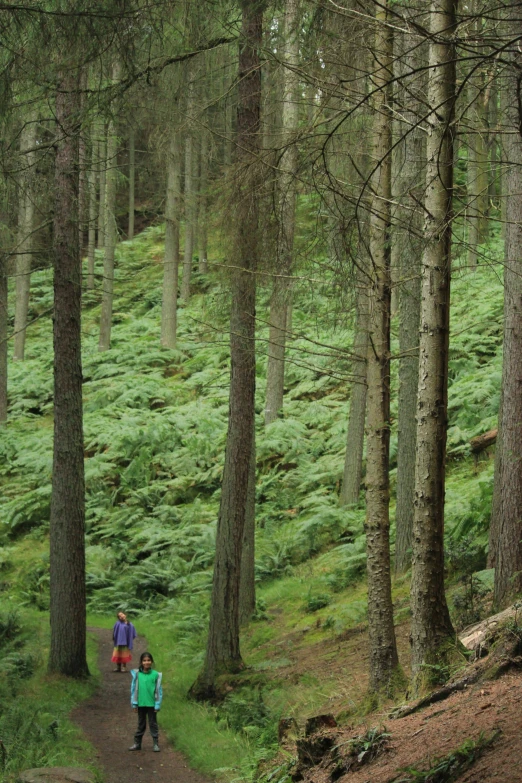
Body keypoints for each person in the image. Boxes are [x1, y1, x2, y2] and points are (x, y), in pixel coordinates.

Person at [128, 651, 163, 753]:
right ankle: (137, 743)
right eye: (144, 660)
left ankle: (156, 744)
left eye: (148, 660)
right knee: (141, 724)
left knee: (153, 723)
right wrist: (134, 704)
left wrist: (157, 704)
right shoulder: (137, 675)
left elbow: (158, 691)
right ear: (141, 662)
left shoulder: (156, 675)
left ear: (151, 662)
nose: (146, 662)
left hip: (152, 704)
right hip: (141, 704)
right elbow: (134, 689)